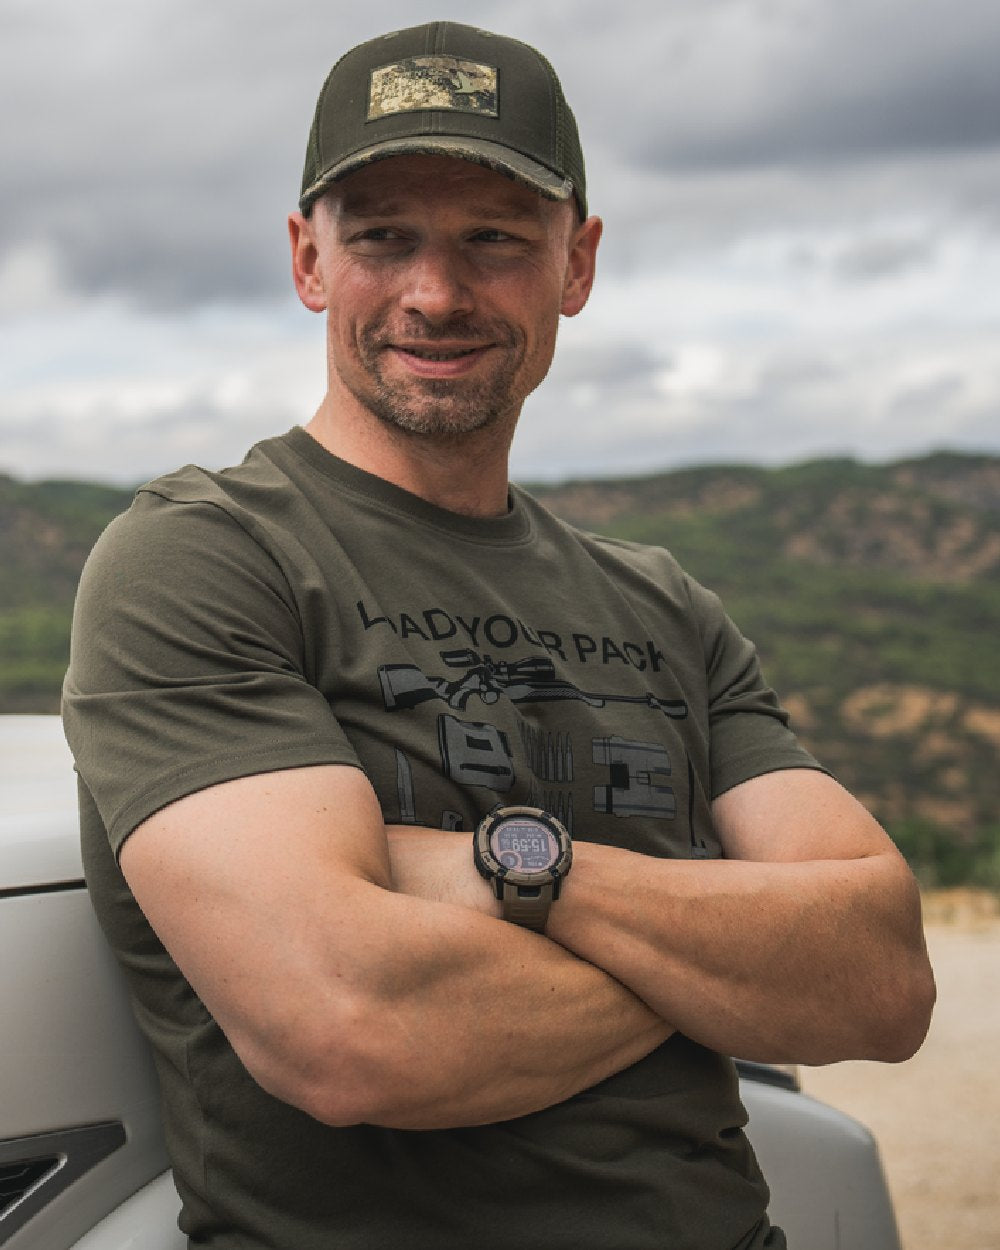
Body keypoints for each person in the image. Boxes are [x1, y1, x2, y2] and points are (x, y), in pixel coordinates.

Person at [63, 20, 936, 1250]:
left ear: (575, 265)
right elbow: (352, 1029)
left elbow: (882, 977)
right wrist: (718, 960)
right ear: (307, 258)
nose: (435, 291)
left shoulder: (663, 604)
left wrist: (503, 868)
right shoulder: (206, 557)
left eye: (492, 238)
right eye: (382, 237)